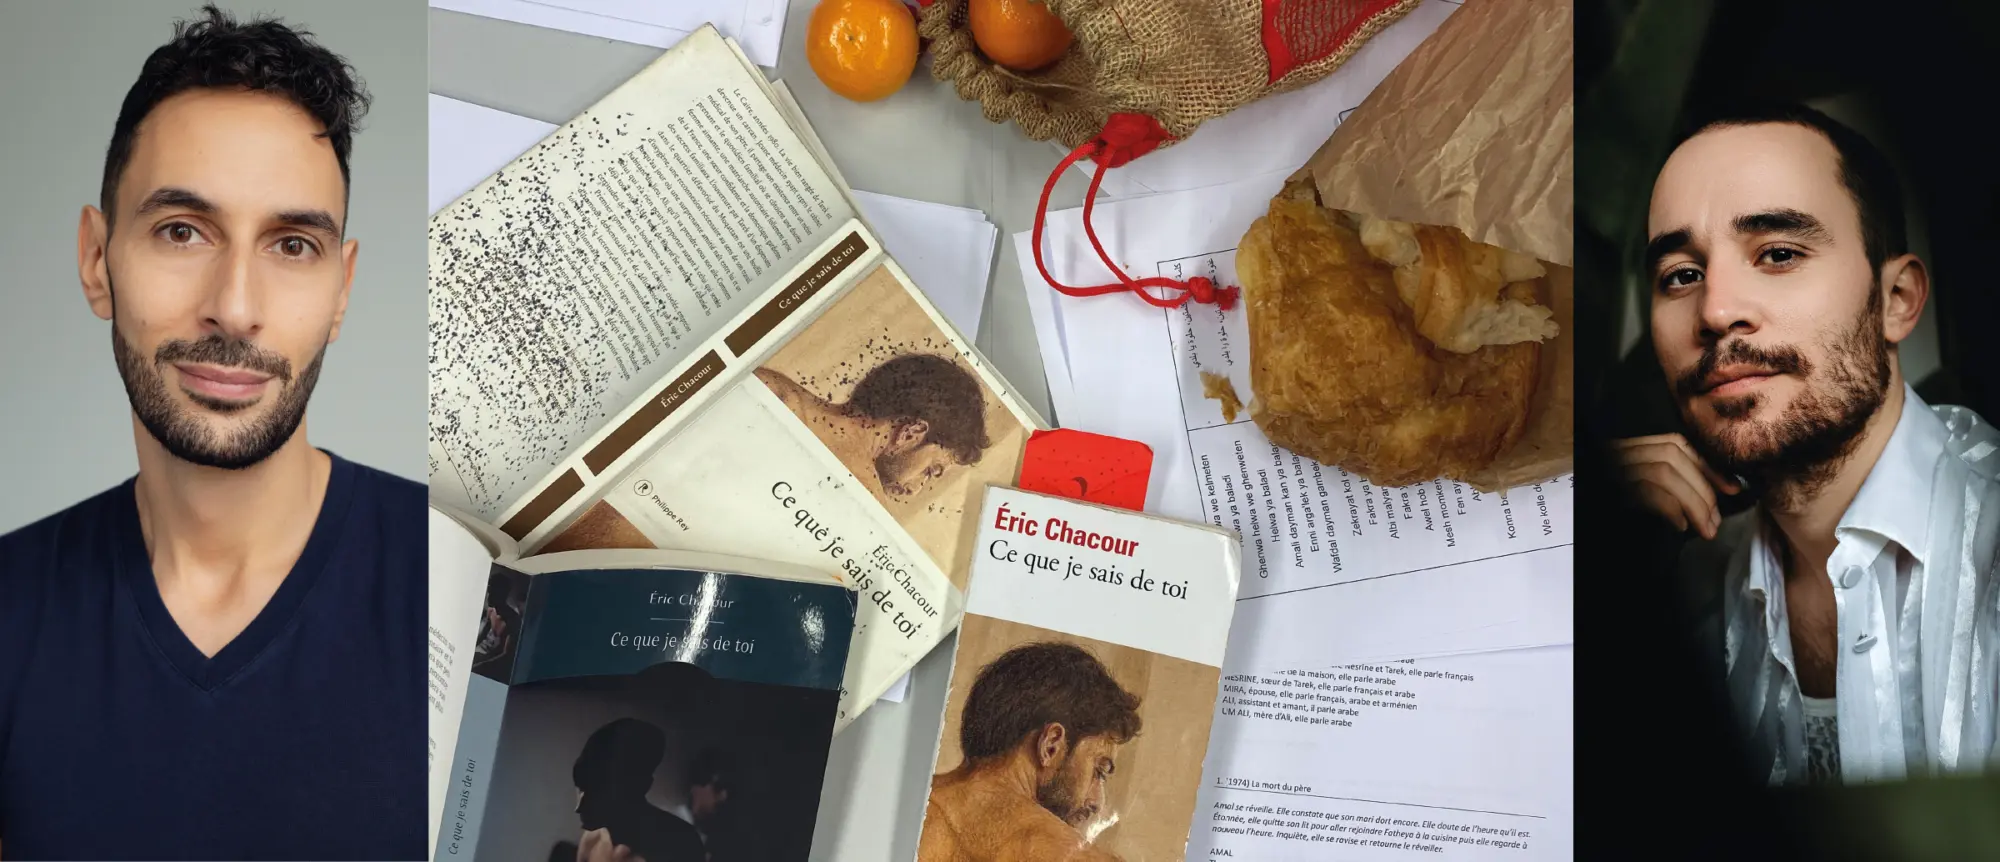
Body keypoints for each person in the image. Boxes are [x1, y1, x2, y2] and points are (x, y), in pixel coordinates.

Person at [0, 6, 425, 858]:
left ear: (341, 291)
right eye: (182, 231)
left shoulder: (457, 590)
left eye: (292, 245)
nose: (234, 307)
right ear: (96, 260)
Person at [1618, 101, 1999, 785]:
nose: (1715, 311)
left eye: (1779, 254)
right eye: (1681, 275)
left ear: (1896, 299)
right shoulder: (1682, 586)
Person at [919, 642, 1142, 862]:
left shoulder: (905, 799)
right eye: (1098, 771)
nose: (1097, 801)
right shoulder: (1078, 858)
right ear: (1051, 745)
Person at [755, 353, 990, 501]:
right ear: (911, 433)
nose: (915, 489)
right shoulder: (865, 499)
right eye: (929, 471)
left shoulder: (771, 388)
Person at [572, 718, 706, 862]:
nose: (579, 807)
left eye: (597, 792)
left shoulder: (681, 843)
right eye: (581, 787)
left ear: (641, 786)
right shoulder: (592, 841)